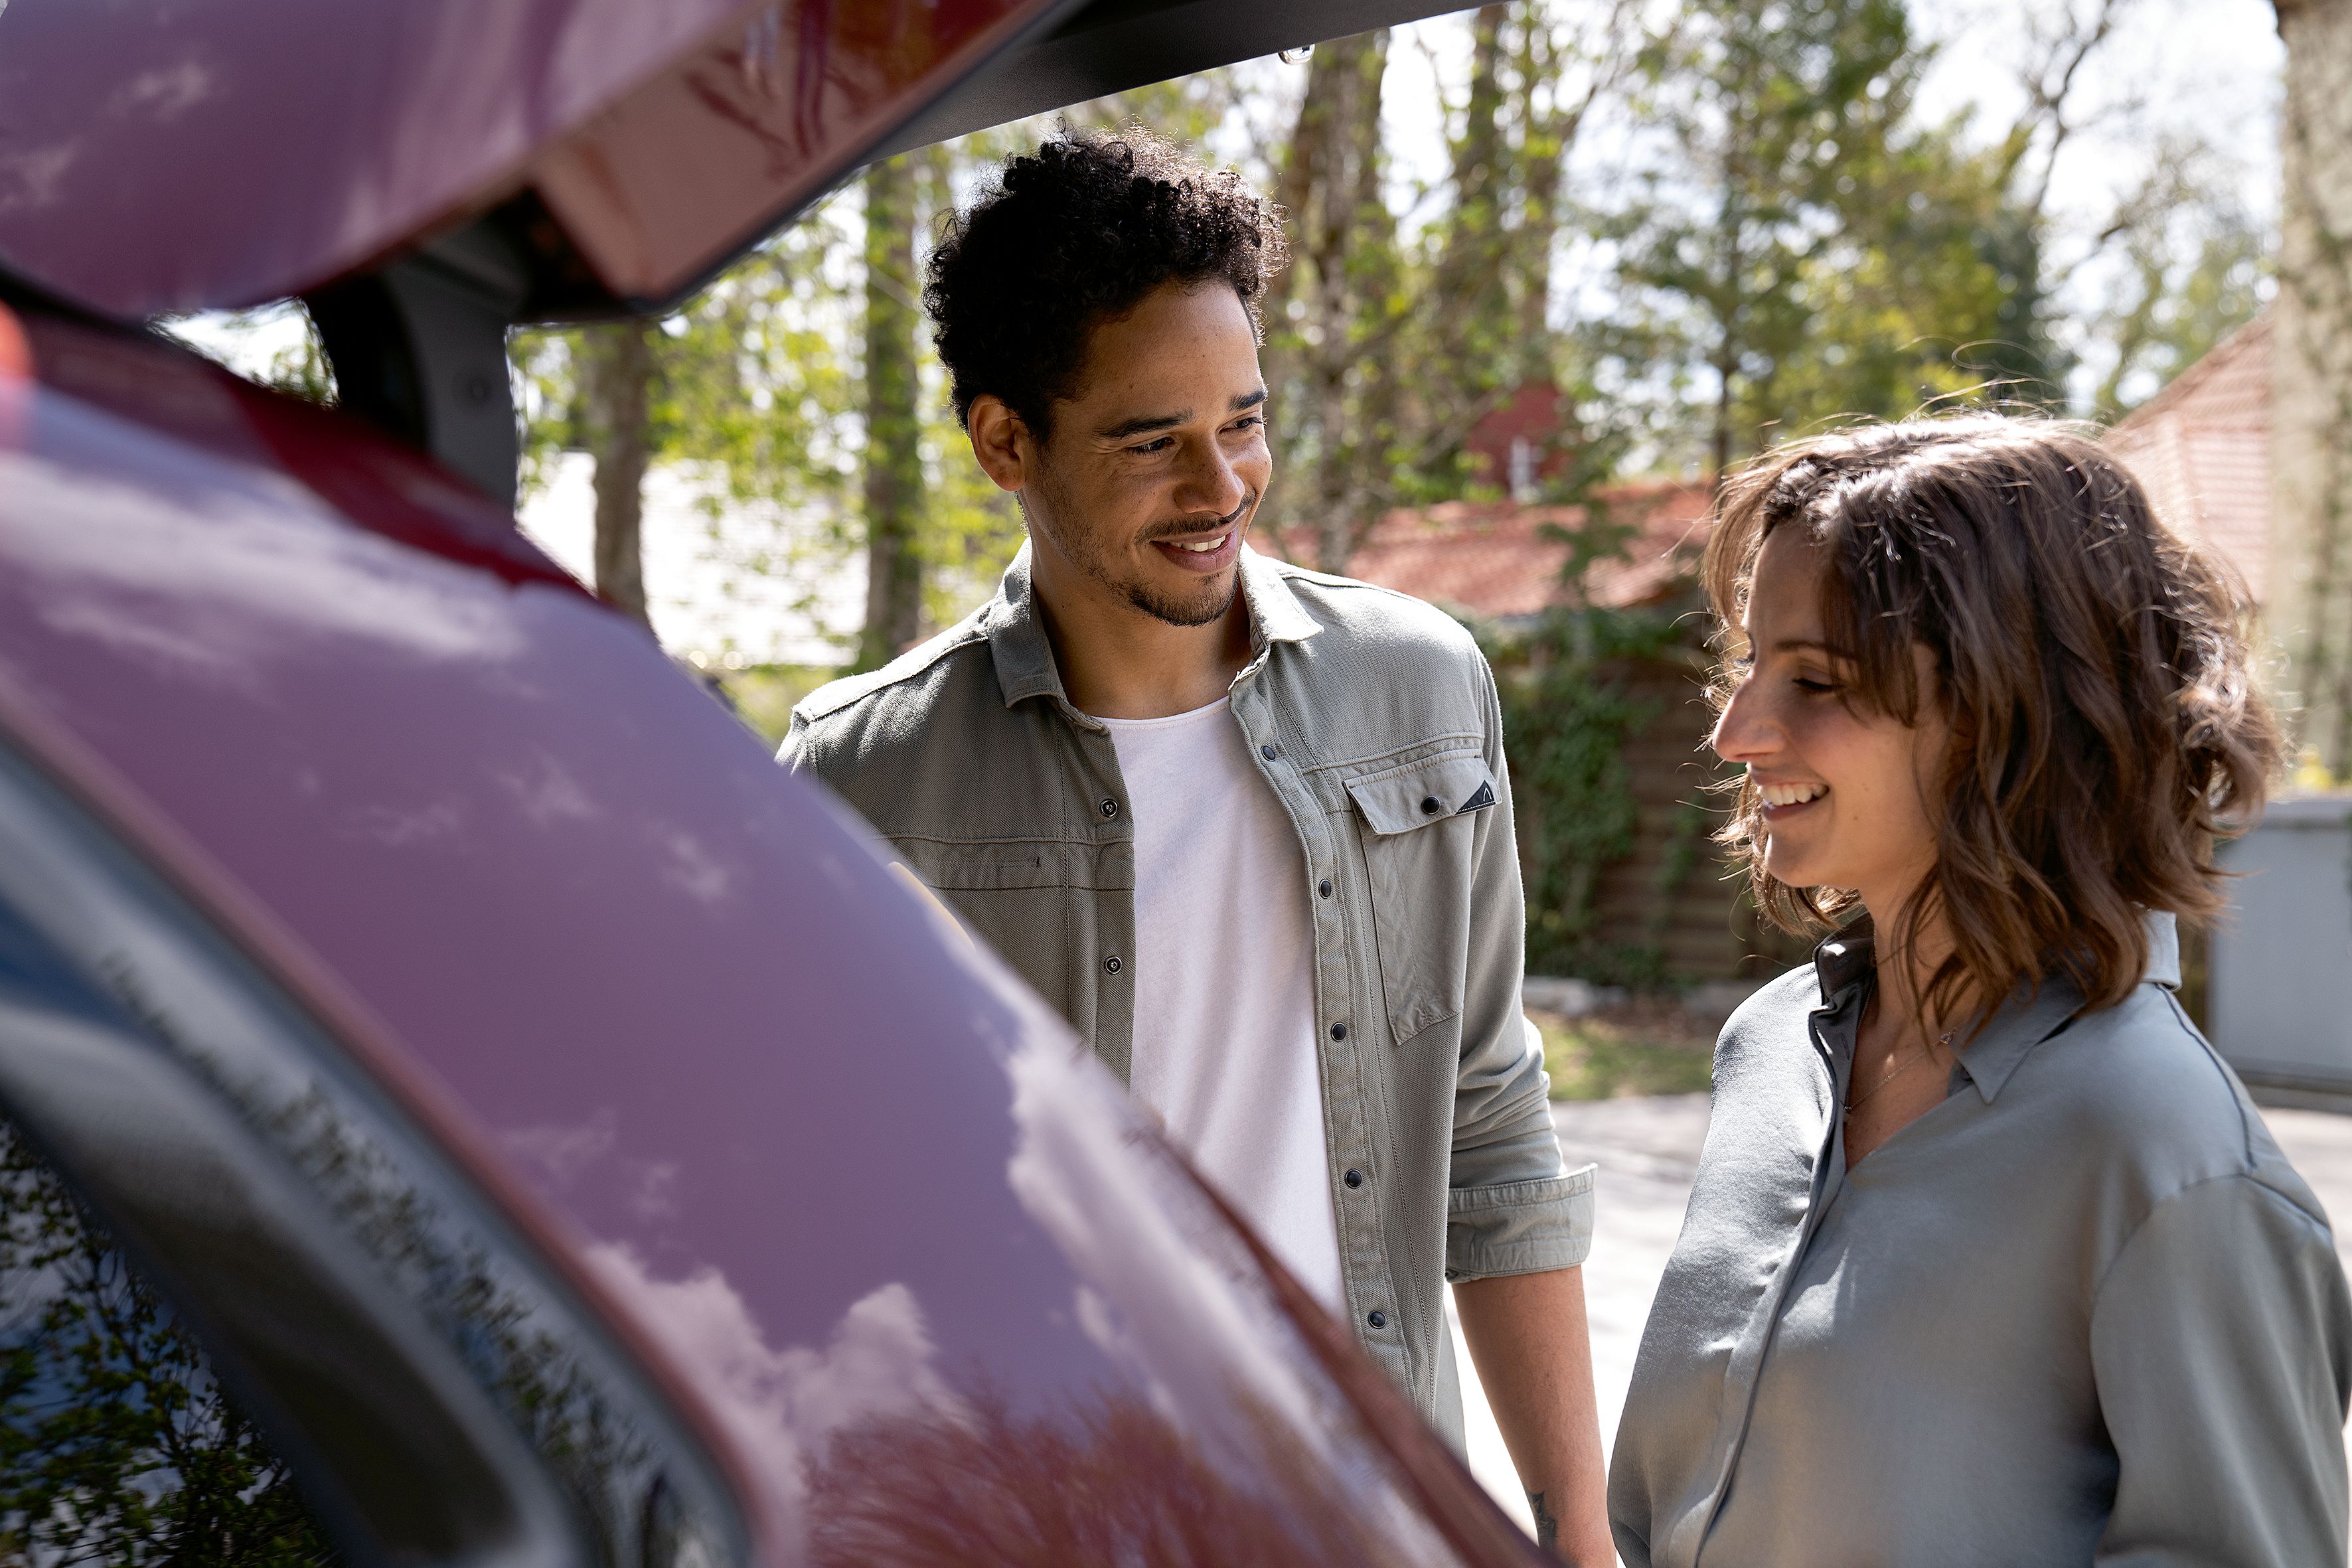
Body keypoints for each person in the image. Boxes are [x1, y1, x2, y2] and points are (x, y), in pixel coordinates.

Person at [780, 129, 1611, 1561]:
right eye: (1150, 439)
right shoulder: (863, 775)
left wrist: (1578, 1536)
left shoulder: (1416, 688)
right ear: (1003, 442)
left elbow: (1487, 1122)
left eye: (1242, 417)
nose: (1220, 481)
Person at [1609, 415, 2352, 1567]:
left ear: (2006, 714)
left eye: (1815, 679)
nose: (1735, 726)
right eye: (1748, 661)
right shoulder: (1772, 1051)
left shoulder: (2169, 1160)